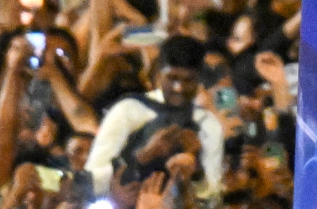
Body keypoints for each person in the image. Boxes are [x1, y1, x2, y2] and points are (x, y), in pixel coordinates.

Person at [84, 35, 224, 199]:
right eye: (172, 78)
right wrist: (144, 156)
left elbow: (212, 199)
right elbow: (92, 177)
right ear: (158, 73)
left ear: (199, 79)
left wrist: (196, 169)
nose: (179, 88)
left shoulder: (207, 125)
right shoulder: (129, 110)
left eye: (189, 80)